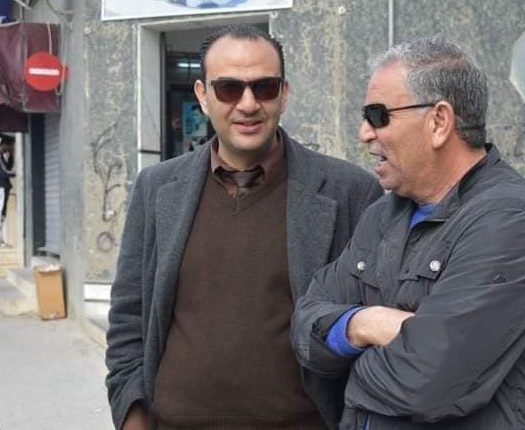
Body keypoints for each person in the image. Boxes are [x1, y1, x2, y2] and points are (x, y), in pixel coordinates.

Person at [105, 24, 383, 430]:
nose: (248, 104)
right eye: (229, 89)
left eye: (264, 87)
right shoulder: (157, 188)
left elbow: (371, 328)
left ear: (284, 94)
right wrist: (133, 415)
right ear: (202, 95)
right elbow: (129, 319)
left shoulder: (350, 192)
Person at [291, 37, 525, 429]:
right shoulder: (383, 214)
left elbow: (425, 382)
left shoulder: (510, 222)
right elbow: (306, 326)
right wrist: (367, 323)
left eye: (378, 115)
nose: (364, 133)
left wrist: (349, 366)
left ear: (439, 122)